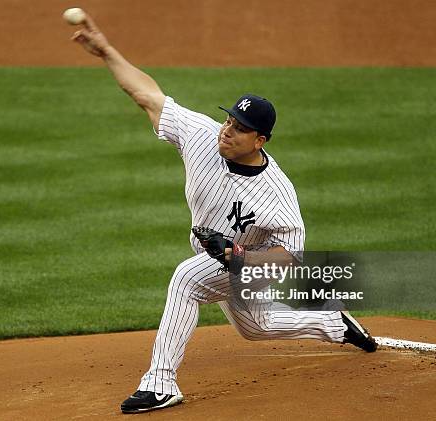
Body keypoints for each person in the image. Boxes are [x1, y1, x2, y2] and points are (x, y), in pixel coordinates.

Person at [71, 13, 377, 414]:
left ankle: (160, 382)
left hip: (252, 263)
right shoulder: (201, 133)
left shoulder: (276, 195)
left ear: (260, 140)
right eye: (230, 119)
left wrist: (237, 258)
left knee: (186, 279)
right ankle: (334, 324)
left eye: (240, 127)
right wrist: (107, 52)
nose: (227, 130)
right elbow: (147, 95)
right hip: (218, 256)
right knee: (257, 327)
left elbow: (289, 256)